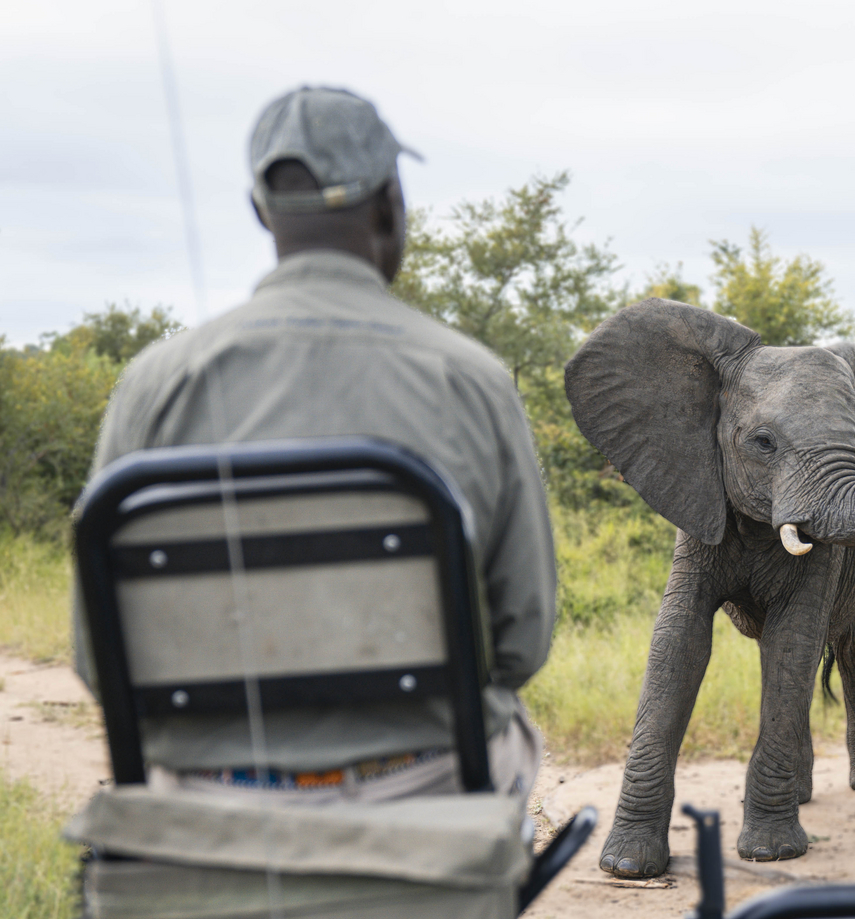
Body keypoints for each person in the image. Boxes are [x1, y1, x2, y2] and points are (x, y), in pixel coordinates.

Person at [74, 86, 556, 805]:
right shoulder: (471, 378)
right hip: (425, 784)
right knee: (515, 734)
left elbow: (96, 659)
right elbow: (521, 643)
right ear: (391, 203)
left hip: (212, 796)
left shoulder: (154, 383)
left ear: (260, 213)